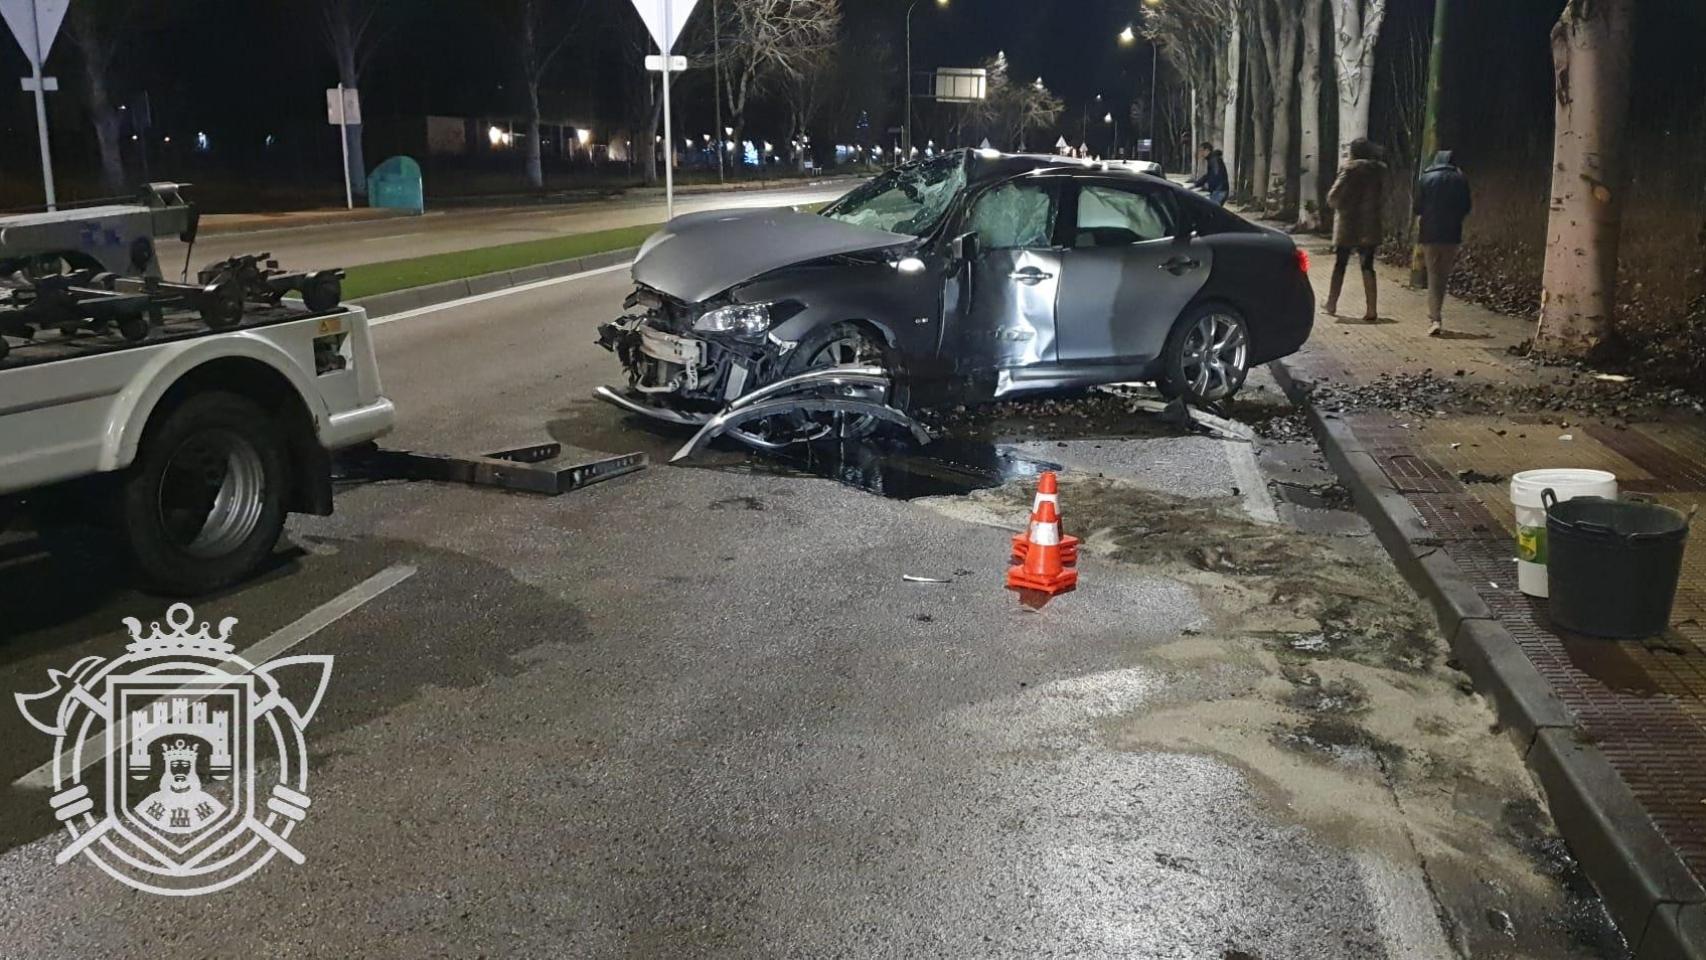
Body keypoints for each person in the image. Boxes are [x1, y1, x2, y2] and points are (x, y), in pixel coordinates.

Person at [1324, 138, 1388, 321]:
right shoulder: (1379, 171)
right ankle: (1371, 309)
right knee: (1368, 265)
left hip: (1348, 223)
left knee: (1340, 264)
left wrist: (1340, 206)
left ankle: (1331, 303)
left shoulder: (1349, 170)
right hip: (1370, 223)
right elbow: (1385, 195)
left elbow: (1333, 196)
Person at [1414, 150, 1473, 336]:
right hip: (1451, 233)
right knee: (1443, 275)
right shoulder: (1460, 179)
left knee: (1432, 274)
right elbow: (1466, 207)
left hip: (1429, 233)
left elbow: (1417, 207)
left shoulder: (1425, 178)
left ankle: (1435, 318)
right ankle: (1437, 313)